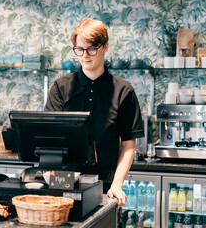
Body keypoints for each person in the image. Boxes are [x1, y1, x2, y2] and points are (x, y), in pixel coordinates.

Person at [44, 19, 144, 208]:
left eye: (91, 49)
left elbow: (129, 144)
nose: (85, 55)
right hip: (63, 182)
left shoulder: (124, 91)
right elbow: (50, 139)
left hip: (104, 184)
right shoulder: (61, 88)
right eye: (79, 49)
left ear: (105, 46)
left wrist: (117, 183)